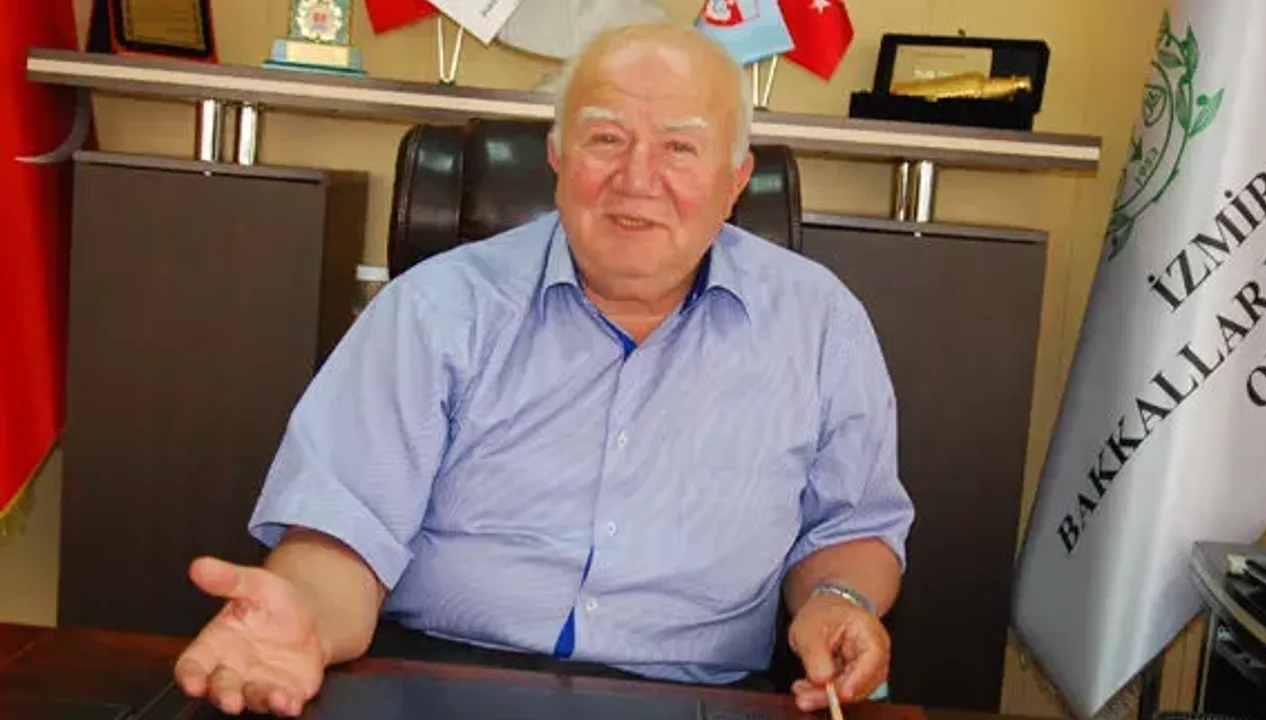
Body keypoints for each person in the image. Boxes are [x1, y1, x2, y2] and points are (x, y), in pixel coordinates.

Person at [172, 22, 915, 718]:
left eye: (680, 148)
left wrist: (841, 600)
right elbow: (342, 535)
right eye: (606, 138)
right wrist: (305, 615)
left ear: (735, 180)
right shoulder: (436, 309)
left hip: (694, 695)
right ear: (557, 157)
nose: (637, 178)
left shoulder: (820, 325)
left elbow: (852, 527)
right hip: (436, 681)